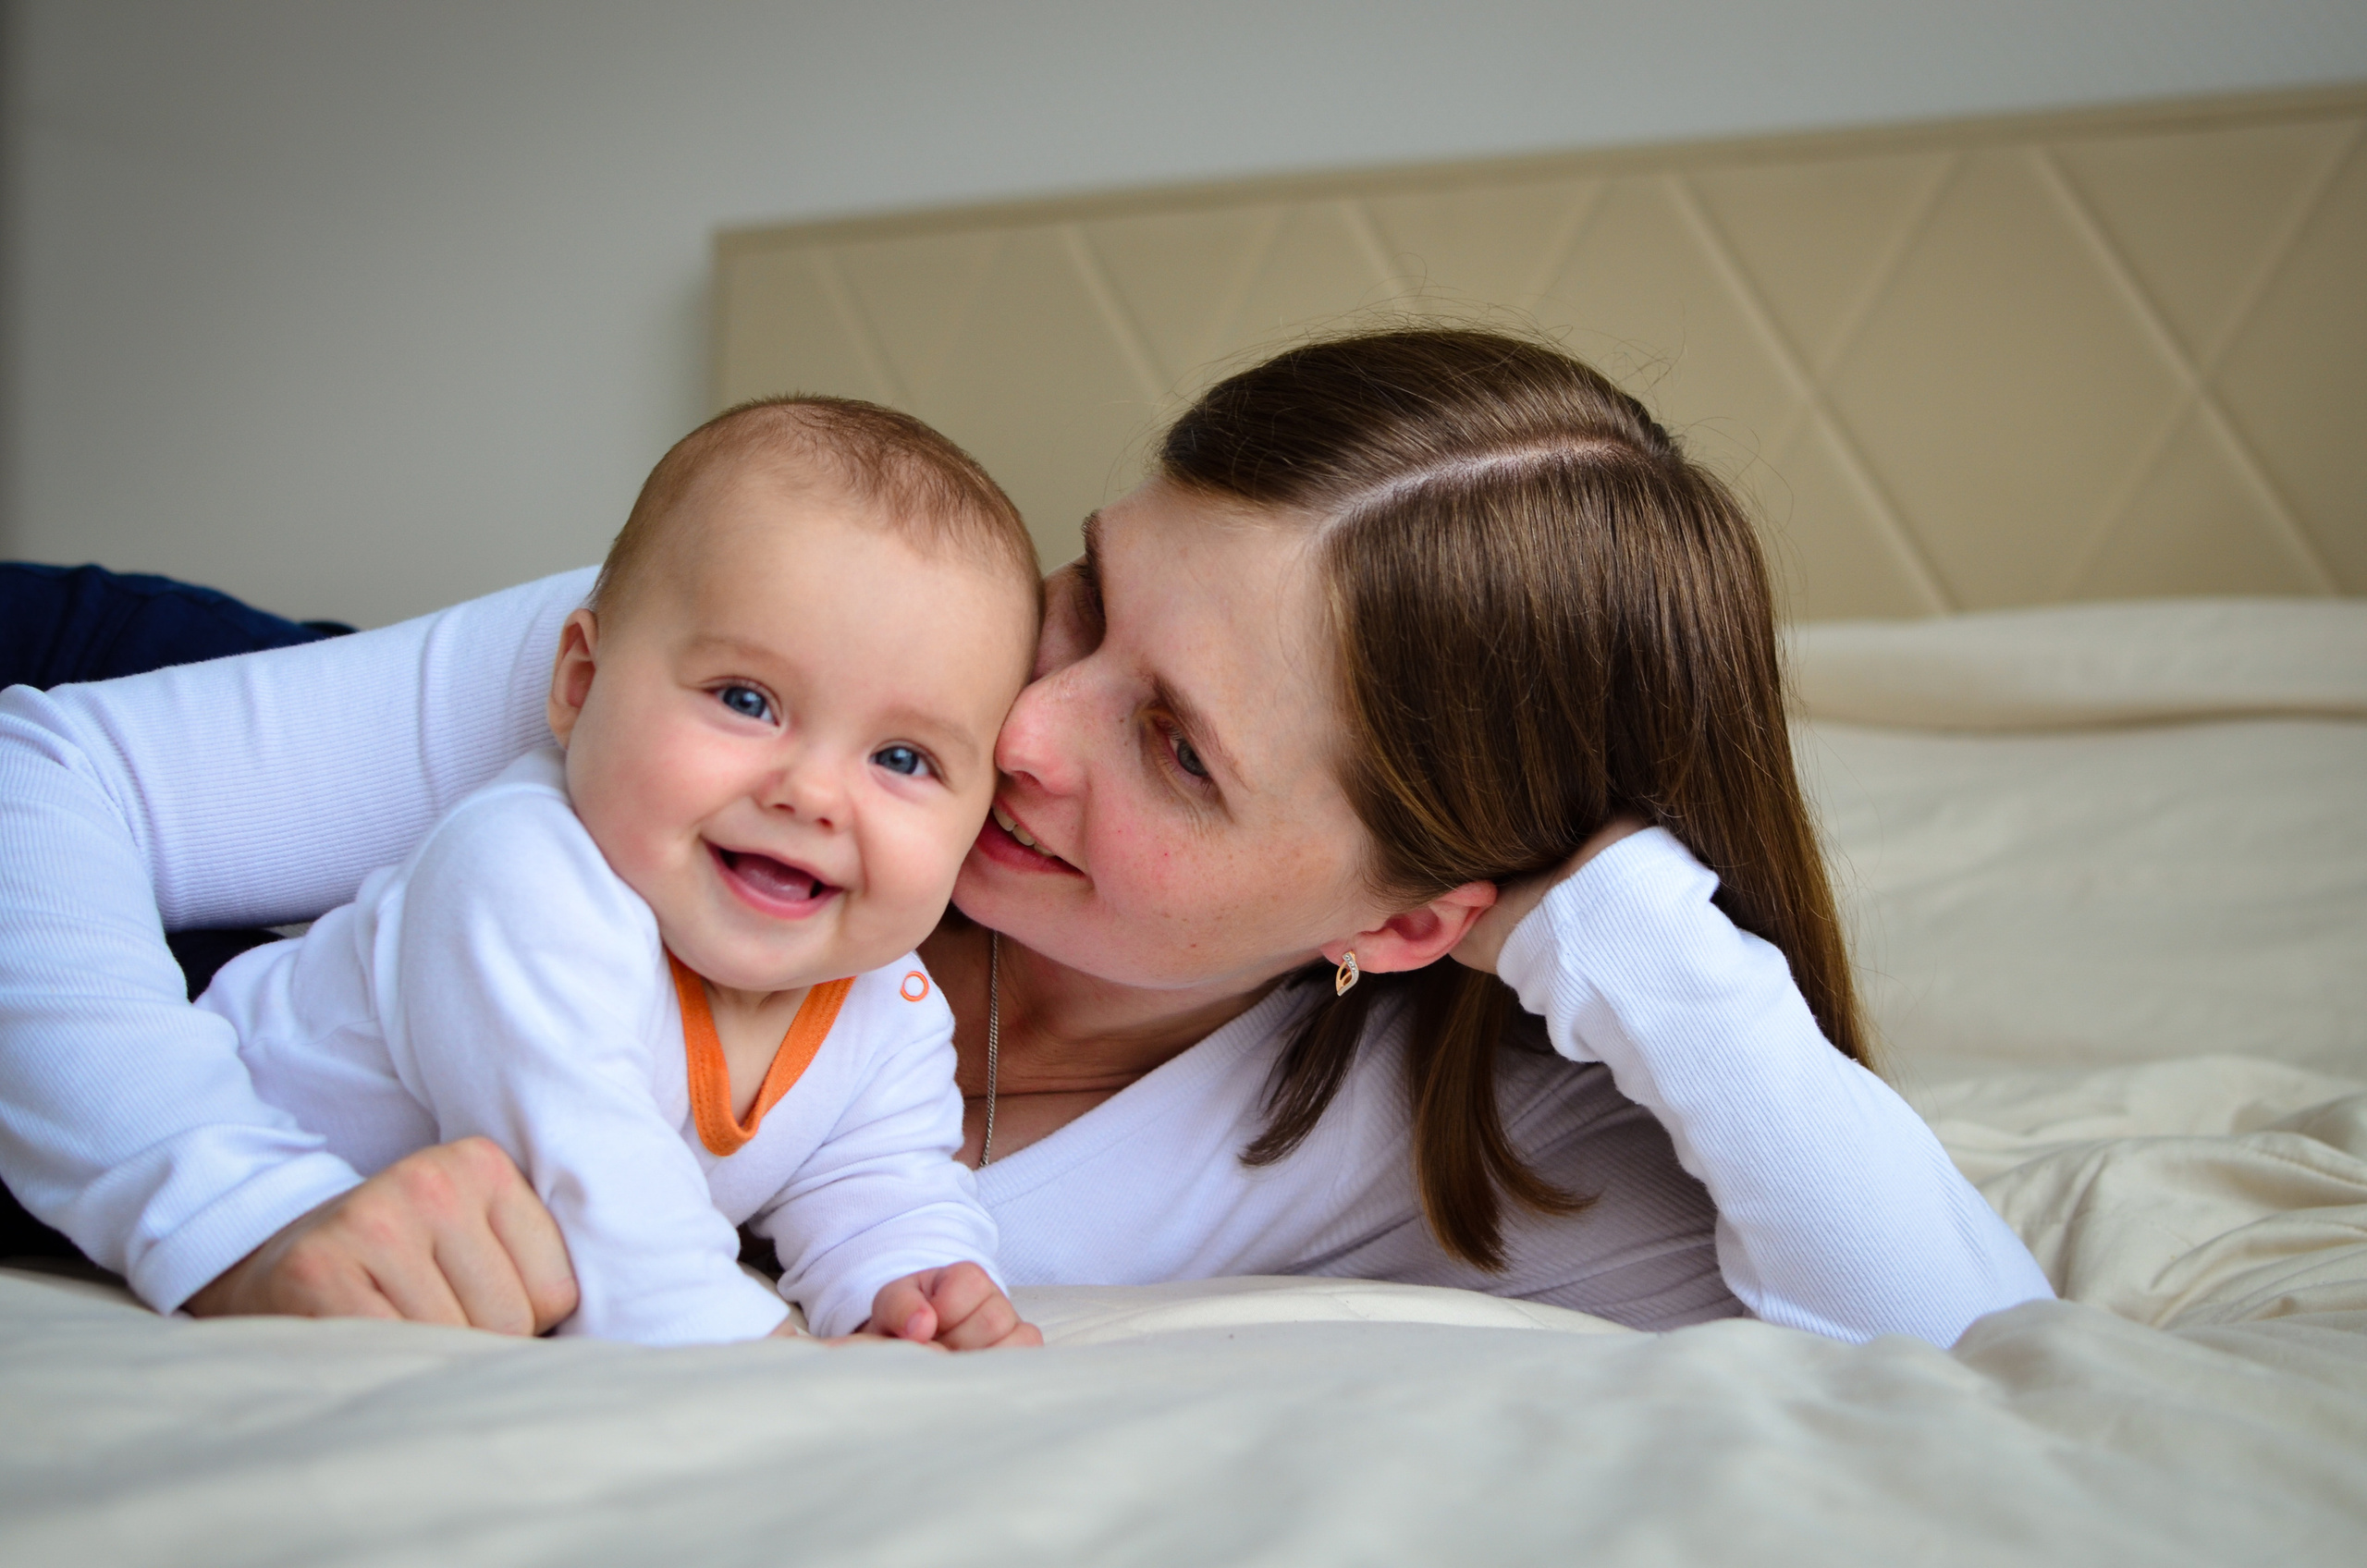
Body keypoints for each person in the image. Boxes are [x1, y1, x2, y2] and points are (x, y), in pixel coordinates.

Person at [0, 326, 2054, 1349]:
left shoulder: (1447, 1141)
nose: (1017, 727)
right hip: (150, 828)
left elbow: (1966, 1366)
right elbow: (49, 775)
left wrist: (1622, 924)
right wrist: (233, 1208)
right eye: (1086, 595)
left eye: (1171, 745)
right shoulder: (791, 661)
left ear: (1419, 914)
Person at [166, 398, 1049, 1347]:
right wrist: (768, 1360)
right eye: (747, 700)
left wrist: (925, 1302)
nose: (814, 794)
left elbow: (884, 1194)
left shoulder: (888, 1006)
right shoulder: (522, 874)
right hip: (146, 1164)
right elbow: (605, 1202)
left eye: (904, 760)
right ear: (579, 686)